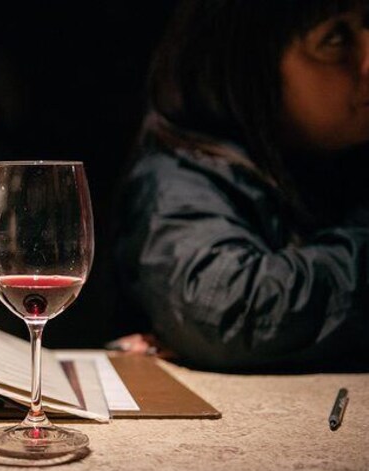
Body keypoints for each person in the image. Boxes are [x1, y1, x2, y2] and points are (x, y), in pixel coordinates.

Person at [113, 0, 369, 372]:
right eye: (334, 39)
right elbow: (224, 306)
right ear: (246, 63)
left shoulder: (336, 153)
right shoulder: (183, 170)